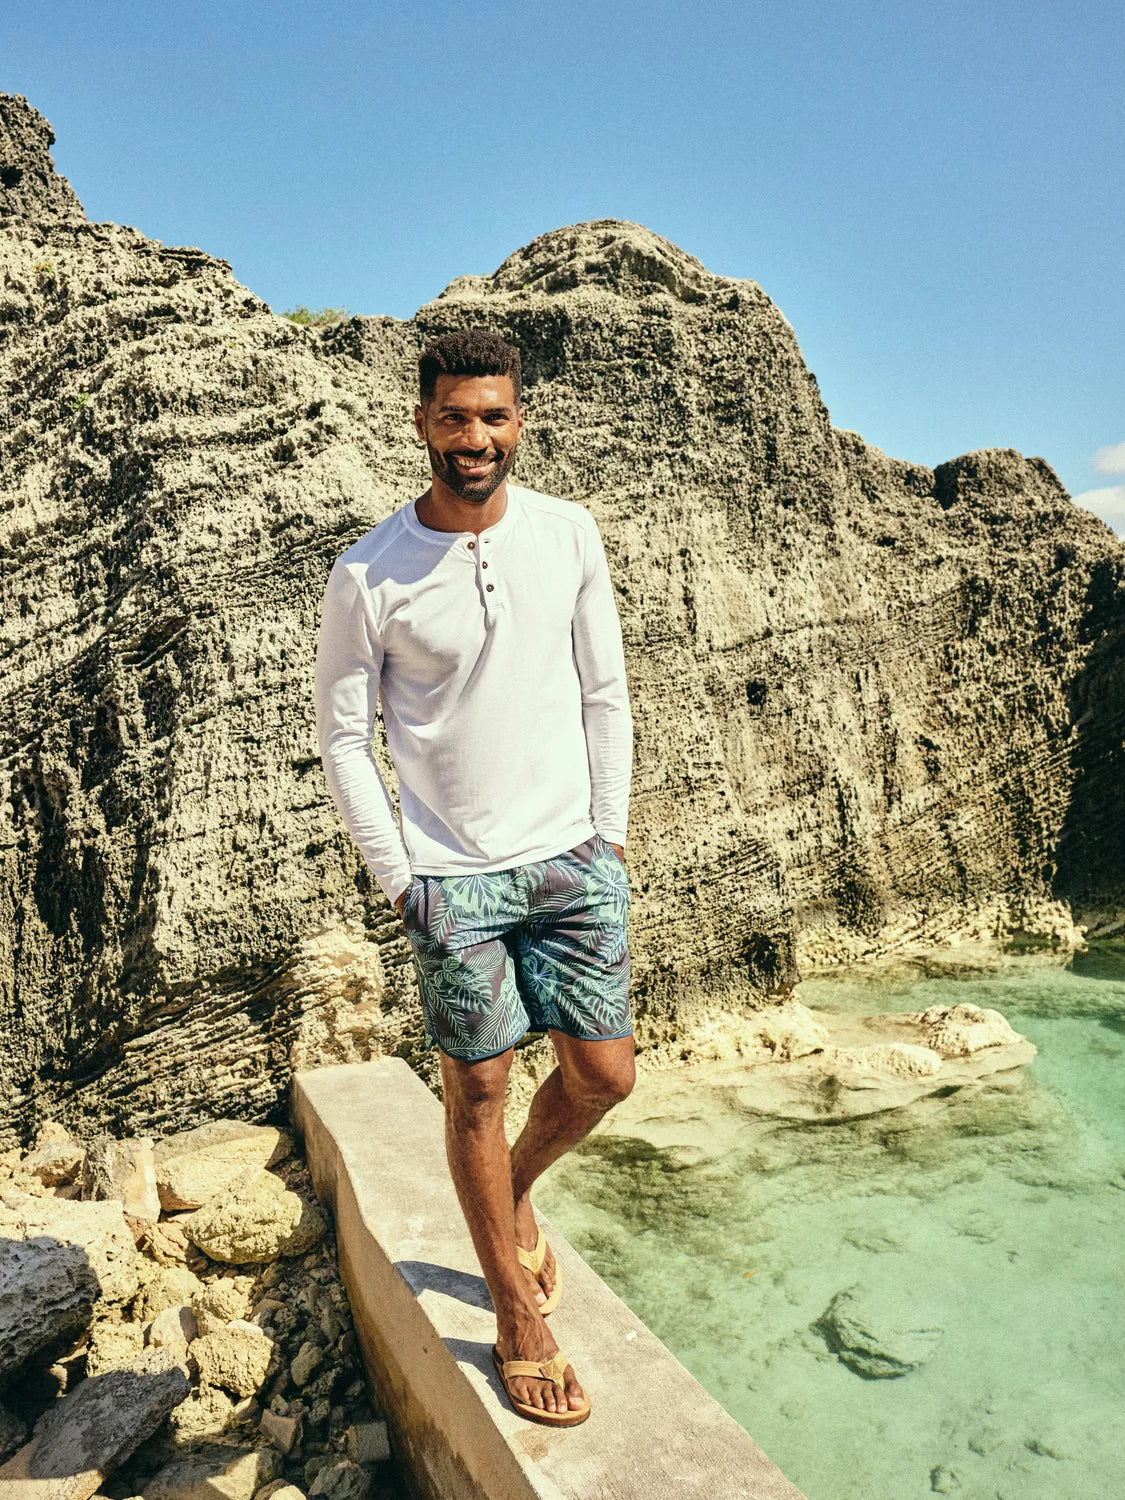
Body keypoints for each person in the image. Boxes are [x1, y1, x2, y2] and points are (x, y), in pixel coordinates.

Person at [314, 327, 635, 1428]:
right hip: (452, 880)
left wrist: (610, 833)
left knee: (604, 1077)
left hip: (572, 860)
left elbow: (604, 692)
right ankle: (514, 1310)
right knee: (479, 1092)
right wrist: (401, 878)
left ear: (519, 421)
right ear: (422, 424)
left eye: (493, 416)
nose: (474, 437)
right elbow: (344, 738)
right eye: (453, 416)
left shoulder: (568, 532)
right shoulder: (369, 571)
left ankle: (519, 1189)